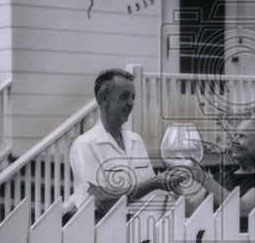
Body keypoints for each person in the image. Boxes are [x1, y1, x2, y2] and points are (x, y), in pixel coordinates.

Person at [68, 68, 175, 219]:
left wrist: (170, 182)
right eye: (124, 97)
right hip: (107, 233)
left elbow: (153, 191)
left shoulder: (135, 140)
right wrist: (155, 183)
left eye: (133, 97)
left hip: (143, 233)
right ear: (103, 98)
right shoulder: (85, 145)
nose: (131, 103)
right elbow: (100, 201)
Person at [189, 117, 255, 228]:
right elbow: (192, 208)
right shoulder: (222, 177)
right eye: (235, 135)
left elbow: (241, 208)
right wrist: (174, 186)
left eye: (242, 136)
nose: (234, 141)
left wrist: (204, 179)